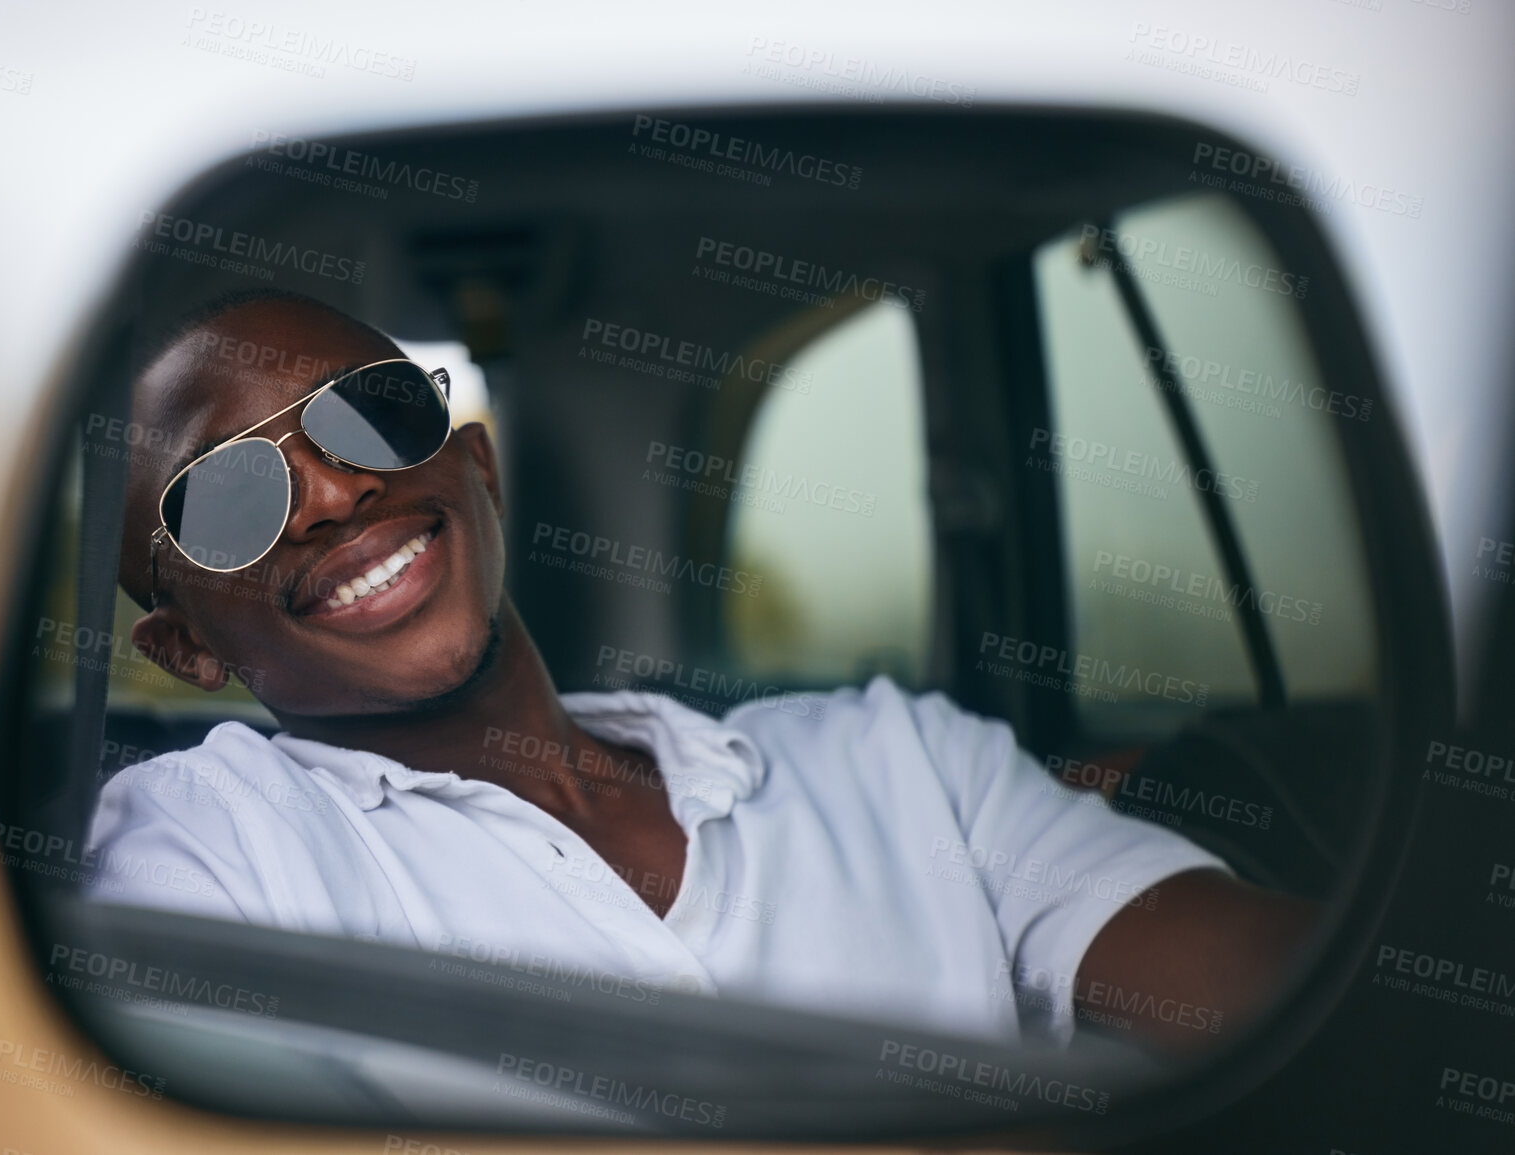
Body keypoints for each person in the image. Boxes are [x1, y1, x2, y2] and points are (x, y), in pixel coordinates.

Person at [88, 289, 1315, 1054]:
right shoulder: (211, 841)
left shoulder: (901, 758)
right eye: (231, 497)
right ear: (189, 647)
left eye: (372, 416)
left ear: (480, 473)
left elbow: (1285, 995)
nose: (341, 493)